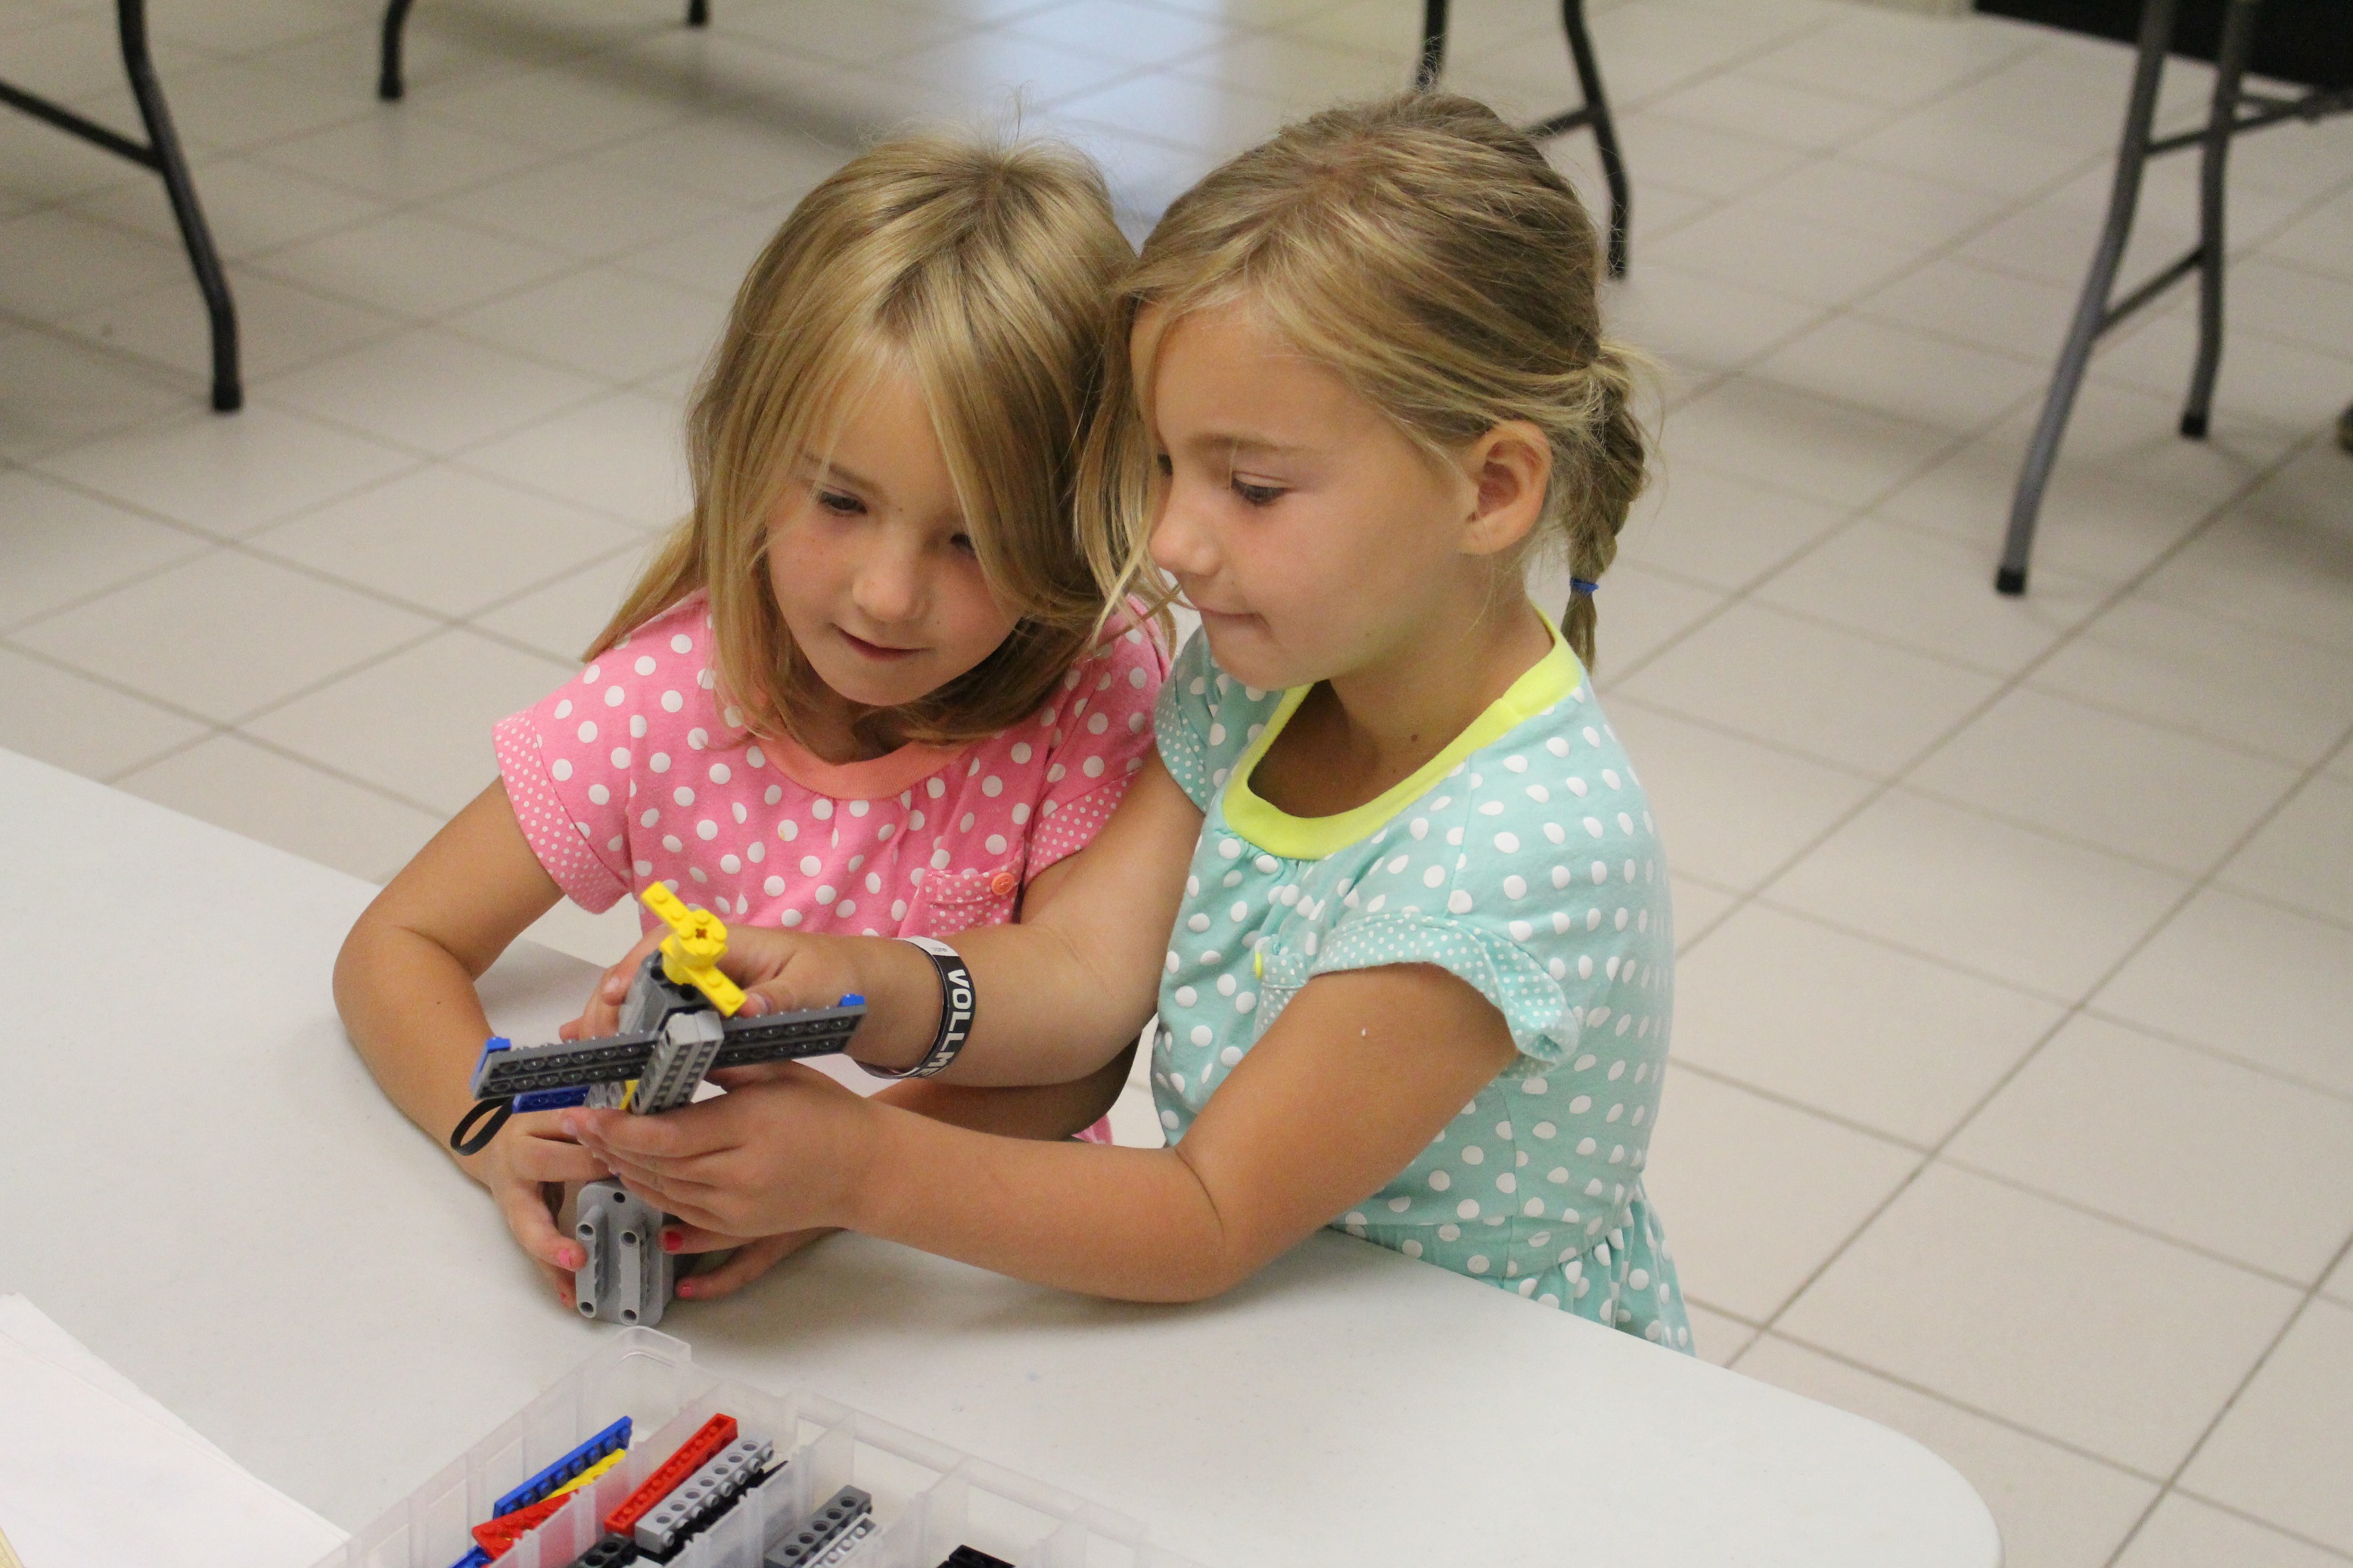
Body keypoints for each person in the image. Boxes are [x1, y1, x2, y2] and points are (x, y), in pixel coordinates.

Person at [562, 92, 1692, 1349]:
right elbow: (1085, 978)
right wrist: (850, 980)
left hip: (1467, 1370)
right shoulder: (1262, 679)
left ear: (1489, 488)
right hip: (1271, 1322)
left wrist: (860, 1166)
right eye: (1164, 465)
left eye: (1251, 486)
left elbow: (1206, 1213)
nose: (1170, 540)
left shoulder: (1514, 853)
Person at [334, 132, 1164, 1307]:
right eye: (838, 500)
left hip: (982, 1266)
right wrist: (497, 1125)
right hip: (708, 1263)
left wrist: (841, 1180)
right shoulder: (663, 703)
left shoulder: (1099, 690)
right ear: (743, 447)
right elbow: (395, 948)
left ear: (1081, 523)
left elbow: (1081, 1054)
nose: (886, 592)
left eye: (972, 537)